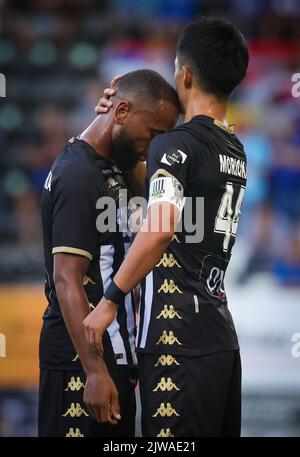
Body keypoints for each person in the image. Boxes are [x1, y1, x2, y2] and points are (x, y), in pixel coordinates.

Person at [84, 16, 249, 437]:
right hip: (221, 341)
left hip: (178, 342)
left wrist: (108, 302)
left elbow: (159, 226)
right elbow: (164, 199)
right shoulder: (234, 148)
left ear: (185, 74)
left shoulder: (173, 145)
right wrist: (119, 125)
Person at [38, 69, 179, 437]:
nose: (153, 147)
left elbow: (144, 190)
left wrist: (113, 119)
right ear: (121, 113)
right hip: (80, 363)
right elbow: (66, 278)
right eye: (153, 134)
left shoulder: (109, 164)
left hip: (108, 357)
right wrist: (95, 371)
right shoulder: (79, 174)